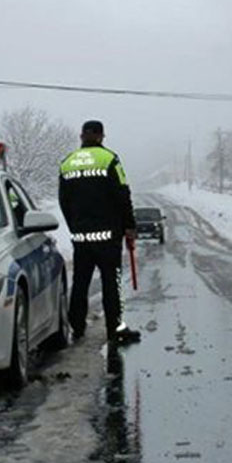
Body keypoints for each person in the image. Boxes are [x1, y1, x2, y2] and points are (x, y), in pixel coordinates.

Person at [59, 120, 142, 346]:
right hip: (107, 237)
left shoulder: (67, 163)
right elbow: (123, 195)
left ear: (81, 136)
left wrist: (75, 226)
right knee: (111, 283)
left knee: (80, 283)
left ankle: (76, 326)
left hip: (81, 237)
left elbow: (63, 201)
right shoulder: (110, 160)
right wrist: (129, 227)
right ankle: (115, 329)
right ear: (101, 136)